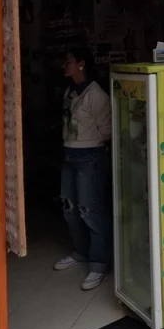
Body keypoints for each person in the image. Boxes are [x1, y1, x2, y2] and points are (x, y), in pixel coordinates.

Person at [55, 46, 113, 290]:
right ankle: (81, 251)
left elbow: (107, 130)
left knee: (90, 209)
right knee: (69, 207)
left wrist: (91, 142)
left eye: (68, 60)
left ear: (81, 64)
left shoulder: (95, 94)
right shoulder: (70, 91)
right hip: (70, 153)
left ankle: (99, 261)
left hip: (90, 156)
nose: (64, 65)